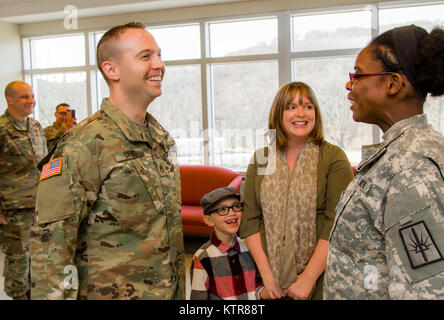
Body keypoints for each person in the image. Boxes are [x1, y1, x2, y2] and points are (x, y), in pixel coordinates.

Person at [29, 22, 186, 300]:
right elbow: (50, 250)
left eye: (159, 55)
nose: (159, 64)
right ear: (111, 70)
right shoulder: (83, 144)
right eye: (145, 56)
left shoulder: (160, 137)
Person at [324, 25, 444, 299]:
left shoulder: (410, 167)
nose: (349, 84)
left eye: (358, 74)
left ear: (393, 83)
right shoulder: (400, 152)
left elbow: (426, 289)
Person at [239, 82, 354, 300]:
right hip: (268, 279)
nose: (301, 113)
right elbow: (250, 220)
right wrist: (267, 276)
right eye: (291, 107)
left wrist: (308, 278)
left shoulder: (333, 158)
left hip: (320, 278)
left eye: (308, 106)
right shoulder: (261, 158)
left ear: (316, 113)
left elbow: (338, 223)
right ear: (278, 114)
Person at [0, 81, 47, 300]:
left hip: (39, 206)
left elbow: (45, 164)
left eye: (32, 96)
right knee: (18, 259)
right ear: (10, 100)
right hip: (12, 210)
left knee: (38, 257)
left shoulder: (36, 127)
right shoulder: (2, 130)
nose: (31, 101)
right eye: (24, 97)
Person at [190, 187, 268, 300]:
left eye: (236, 206)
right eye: (222, 209)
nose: (232, 213)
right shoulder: (202, 258)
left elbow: (256, 289)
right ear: (208, 220)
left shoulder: (250, 248)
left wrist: (267, 292)